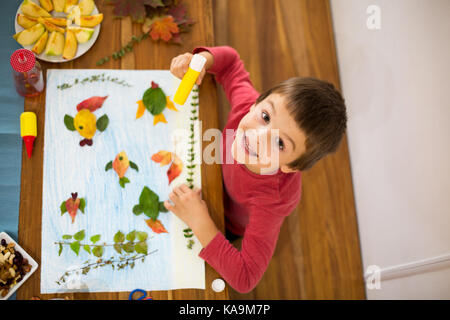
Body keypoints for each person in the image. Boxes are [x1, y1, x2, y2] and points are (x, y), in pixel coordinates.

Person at [164, 46, 347, 293]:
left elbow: (245, 278)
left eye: (280, 143)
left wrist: (200, 220)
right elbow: (230, 63)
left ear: (291, 166)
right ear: (258, 102)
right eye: (265, 117)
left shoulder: (273, 200)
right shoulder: (247, 105)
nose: (258, 136)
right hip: (207, 175)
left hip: (223, 220)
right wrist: (202, 61)